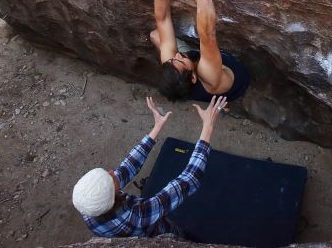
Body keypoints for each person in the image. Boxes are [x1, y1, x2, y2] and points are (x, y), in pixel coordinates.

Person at [72, 95, 228, 237]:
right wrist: (208, 125)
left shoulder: (89, 209)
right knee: (177, 236)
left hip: (129, 230)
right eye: (110, 177)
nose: (112, 171)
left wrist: (157, 127)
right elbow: (189, 179)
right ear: (113, 197)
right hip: (157, 234)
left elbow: (128, 167)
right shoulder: (140, 215)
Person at [148, 0, 251, 102]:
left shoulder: (173, 65)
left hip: (198, 66)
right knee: (206, 46)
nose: (176, 56)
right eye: (180, 60)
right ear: (193, 77)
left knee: (156, 35)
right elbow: (207, 34)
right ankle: (227, 104)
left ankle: (191, 57)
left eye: (171, 61)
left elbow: (163, 20)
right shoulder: (208, 75)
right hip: (233, 77)